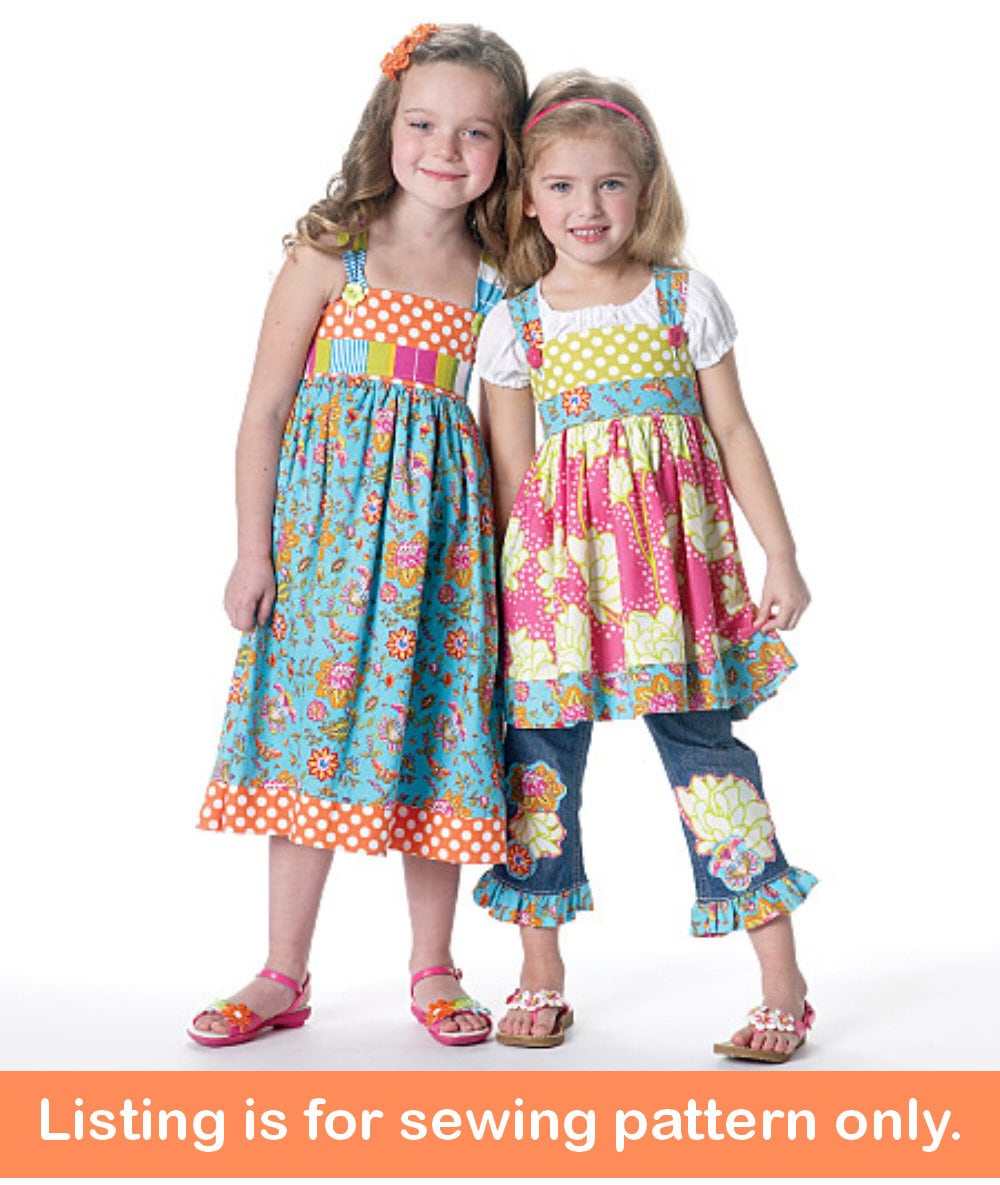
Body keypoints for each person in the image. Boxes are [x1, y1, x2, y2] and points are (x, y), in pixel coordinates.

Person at [188, 23, 528, 1048]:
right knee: (310, 742)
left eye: (475, 132)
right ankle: (281, 972)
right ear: (387, 124)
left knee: (439, 739)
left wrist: (513, 576)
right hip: (323, 554)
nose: (444, 149)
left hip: (442, 560)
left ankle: (435, 966)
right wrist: (253, 550)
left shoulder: (497, 283)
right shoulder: (331, 254)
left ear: (507, 149)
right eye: (423, 124)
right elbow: (263, 410)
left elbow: (506, 447)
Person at [472, 70, 817, 1061]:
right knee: (537, 769)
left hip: (676, 586)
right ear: (528, 200)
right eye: (562, 186)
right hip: (554, 590)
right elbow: (511, 472)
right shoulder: (515, 324)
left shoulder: (682, 299)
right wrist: (500, 599)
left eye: (610, 184)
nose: (587, 207)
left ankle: (782, 985)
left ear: (645, 188)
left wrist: (780, 552)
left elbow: (734, 431)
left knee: (709, 763)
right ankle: (540, 972)